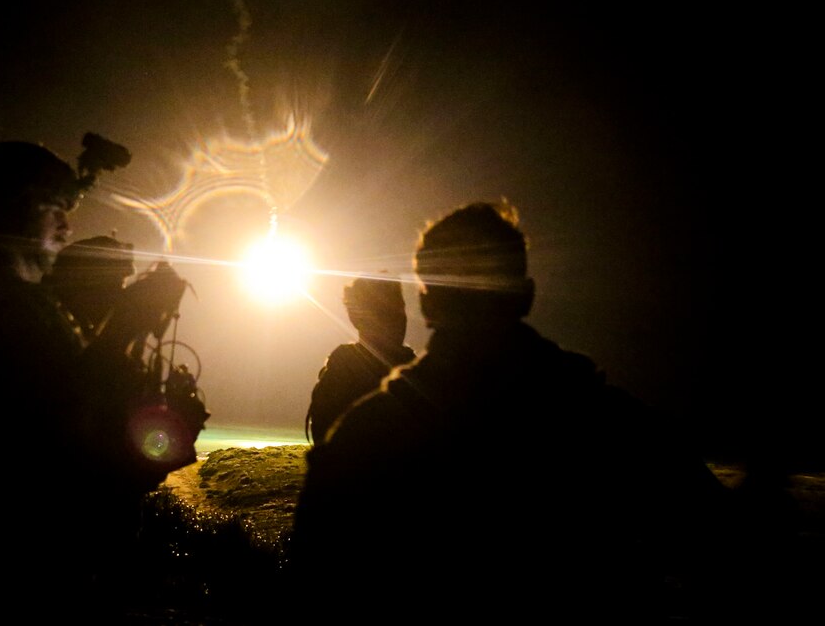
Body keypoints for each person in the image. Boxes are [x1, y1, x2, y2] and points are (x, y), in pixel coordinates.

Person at [289, 201, 731, 623]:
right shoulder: (614, 426)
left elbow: (312, 594)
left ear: (427, 305)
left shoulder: (365, 437)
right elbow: (724, 545)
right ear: (526, 294)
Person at [0, 139, 204, 622]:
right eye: (57, 209)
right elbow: (60, 424)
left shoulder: (4, 301)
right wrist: (127, 324)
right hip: (21, 573)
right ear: (22, 207)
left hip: (34, 564)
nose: (67, 227)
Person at [305, 275, 416, 445]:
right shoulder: (339, 377)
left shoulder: (422, 376)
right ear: (358, 319)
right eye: (384, 311)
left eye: (399, 308)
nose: (398, 319)